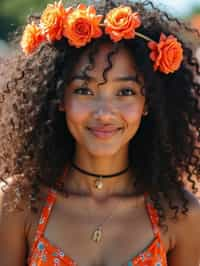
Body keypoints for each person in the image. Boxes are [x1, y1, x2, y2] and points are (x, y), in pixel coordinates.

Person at [0, 0, 200, 265]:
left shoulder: (182, 215)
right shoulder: (17, 204)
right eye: (84, 90)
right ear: (59, 97)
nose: (104, 113)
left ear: (148, 103)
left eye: (125, 92)